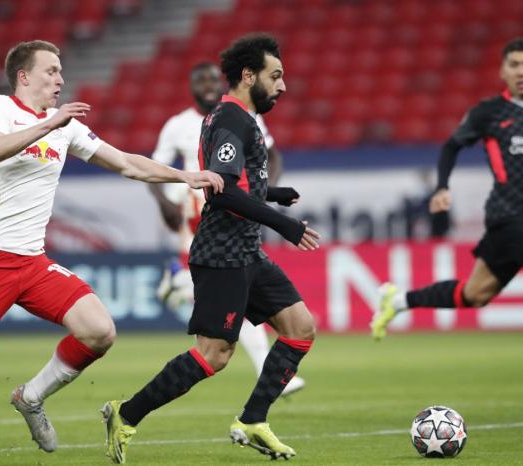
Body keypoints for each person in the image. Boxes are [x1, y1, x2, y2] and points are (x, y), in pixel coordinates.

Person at [0, 39, 223, 466]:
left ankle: (31, 396)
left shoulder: (63, 124)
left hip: (32, 262)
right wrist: (49, 126)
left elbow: (125, 162)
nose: (60, 78)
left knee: (99, 331)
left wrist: (185, 176)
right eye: (51, 70)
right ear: (24, 76)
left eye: (61, 70)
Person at [102, 33, 321, 463]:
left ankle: (253, 420)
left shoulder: (238, 118)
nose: (282, 86)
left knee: (300, 328)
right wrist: (284, 224)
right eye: (275, 76)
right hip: (221, 254)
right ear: (248, 75)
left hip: (246, 250)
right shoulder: (233, 120)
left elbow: (232, 181)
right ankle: (124, 415)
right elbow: (219, 193)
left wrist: (271, 193)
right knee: (214, 355)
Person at [149, 62, 305, 396]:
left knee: (235, 297)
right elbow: (155, 168)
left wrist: (264, 192)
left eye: (210, 79)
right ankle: (177, 281)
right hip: (201, 209)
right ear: (190, 85)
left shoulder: (244, 116)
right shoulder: (177, 125)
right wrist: (164, 203)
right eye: (198, 79)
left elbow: (271, 156)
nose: (206, 84)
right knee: (233, 297)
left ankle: (175, 281)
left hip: (236, 208)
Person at [371, 37, 523, 340]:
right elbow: (451, 146)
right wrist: (442, 187)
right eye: (515, 65)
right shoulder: (490, 112)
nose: (522, 71)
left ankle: (398, 300)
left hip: (519, 226)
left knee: (475, 294)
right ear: (503, 71)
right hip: (510, 217)